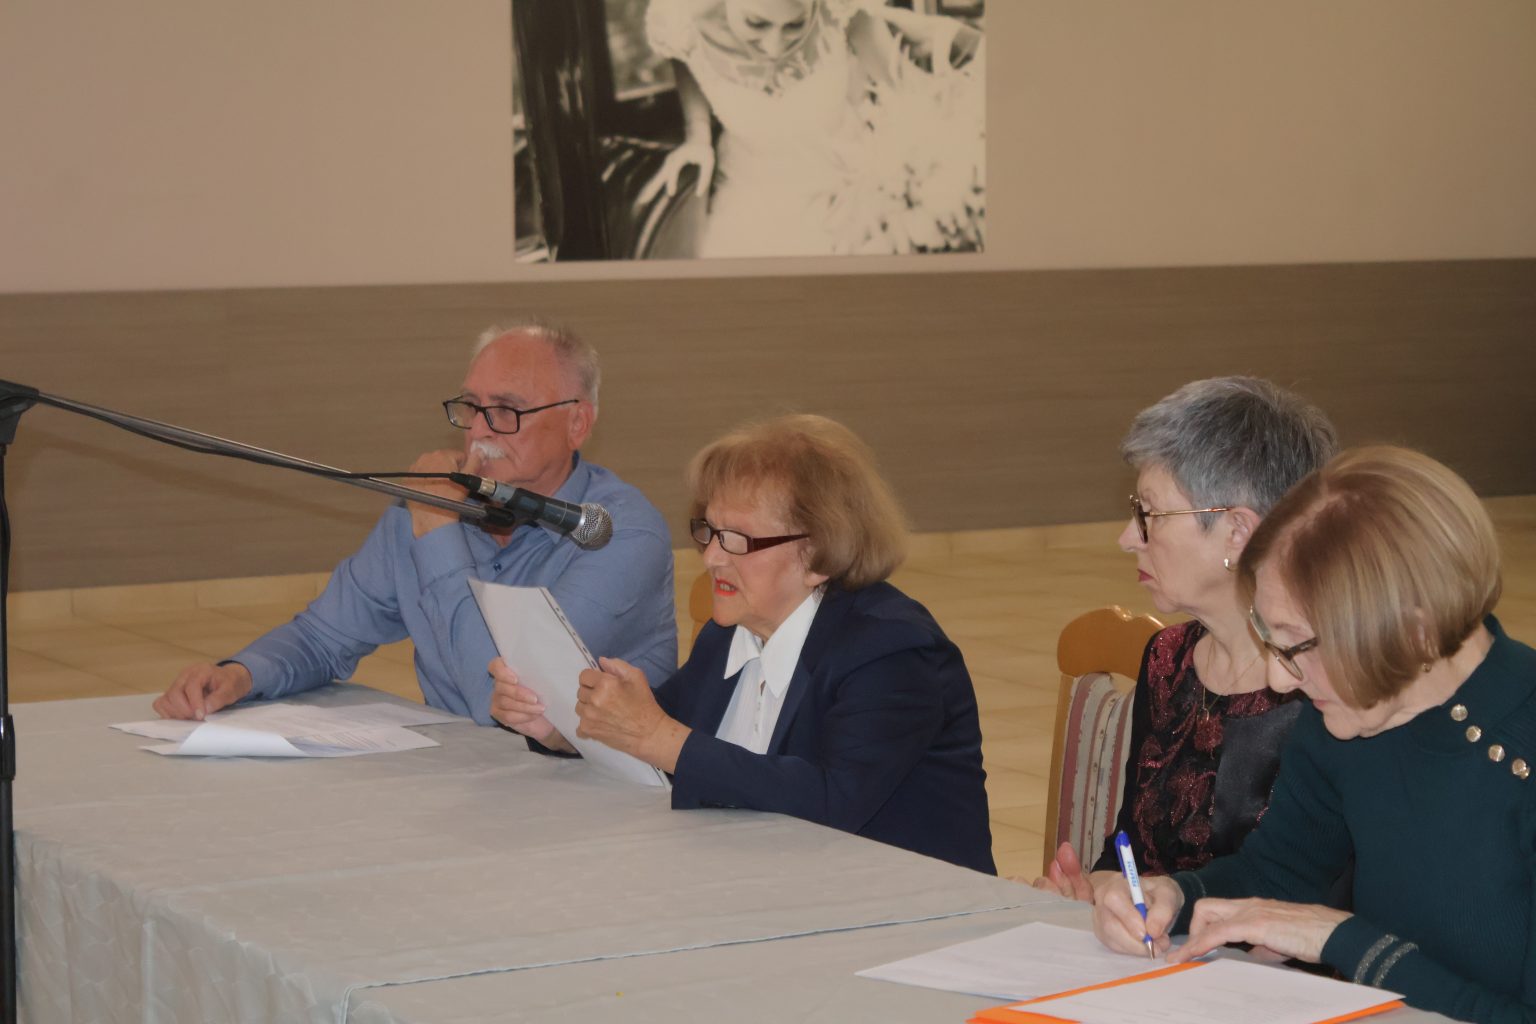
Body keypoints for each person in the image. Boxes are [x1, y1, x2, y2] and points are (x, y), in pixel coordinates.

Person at [1093, 446, 1534, 1022]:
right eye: (1271, 640)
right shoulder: (1353, 715)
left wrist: (1341, 940)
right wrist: (1177, 896)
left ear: (1415, 632)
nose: (1281, 679)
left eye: (1297, 644)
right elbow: (1279, 873)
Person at [490, 414, 994, 873]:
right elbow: (659, 731)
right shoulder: (729, 634)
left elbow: (832, 802)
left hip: (902, 910)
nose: (712, 557)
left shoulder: (891, 652)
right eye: (709, 531)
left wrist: (659, 737)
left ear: (818, 553)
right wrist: (564, 727)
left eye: (738, 539)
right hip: (761, 885)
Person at [151, 323, 677, 726]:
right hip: (467, 784)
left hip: (594, 795)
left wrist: (437, 529)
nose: (479, 431)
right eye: (471, 407)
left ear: (577, 423)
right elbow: (326, 634)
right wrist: (240, 675)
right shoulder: (434, 504)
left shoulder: (621, 534)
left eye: (507, 410)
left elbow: (505, 702)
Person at [1035, 377, 1337, 900]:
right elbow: (1130, 853)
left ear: (1237, 532)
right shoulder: (1169, 659)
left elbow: (1315, 894)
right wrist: (1096, 888)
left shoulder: (1324, 688)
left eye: (1149, 515)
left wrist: (1154, 904)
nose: (1127, 538)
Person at [640, 0, 985, 257]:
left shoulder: (844, 8)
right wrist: (697, 135)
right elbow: (688, 62)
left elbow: (909, 95)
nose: (774, 46)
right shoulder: (679, 19)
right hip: (750, 200)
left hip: (851, 198)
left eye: (795, 25)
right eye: (756, 23)